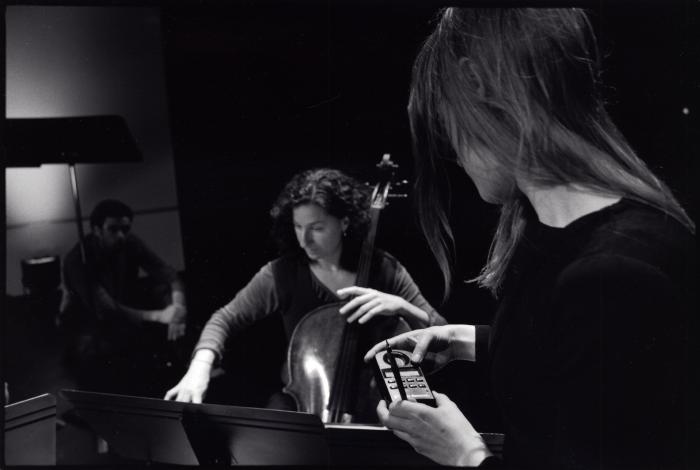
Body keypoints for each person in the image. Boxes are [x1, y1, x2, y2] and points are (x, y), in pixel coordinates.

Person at [364, 8, 695, 469]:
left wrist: (466, 454)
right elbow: (577, 355)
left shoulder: (614, 275)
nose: (454, 151)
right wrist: (465, 340)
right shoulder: (558, 239)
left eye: (448, 123)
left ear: (476, 83)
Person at [164, 168, 445, 421]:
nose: (304, 240)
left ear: (345, 223)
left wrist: (404, 307)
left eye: (317, 228)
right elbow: (224, 319)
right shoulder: (280, 274)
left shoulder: (386, 270)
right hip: (305, 412)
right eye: (298, 227)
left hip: (376, 412)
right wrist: (198, 370)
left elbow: (443, 335)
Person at [60, 199, 187, 395]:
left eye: (125, 229)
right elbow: (106, 308)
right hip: (87, 323)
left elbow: (168, 274)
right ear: (96, 230)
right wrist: (159, 316)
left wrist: (178, 309)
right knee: (95, 353)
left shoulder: (129, 242)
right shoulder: (78, 259)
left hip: (125, 311)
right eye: (113, 229)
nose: (121, 235)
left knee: (163, 290)